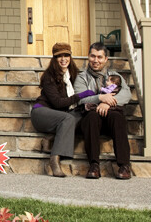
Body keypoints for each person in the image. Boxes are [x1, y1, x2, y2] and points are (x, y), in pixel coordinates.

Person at [73, 42, 132, 180]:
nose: (96, 60)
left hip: (110, 119)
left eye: (100, 57)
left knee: (118, 117)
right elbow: (80, 99)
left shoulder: (115, 76)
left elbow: (126, 94)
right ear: (88, 57)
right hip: (91, 121)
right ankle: (94, 165)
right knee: (92, 117)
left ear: (106, 59)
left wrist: (107, 103)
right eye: (93, 56)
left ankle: (124, 165)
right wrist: (101, 98)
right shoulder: (81, 78)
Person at [30, 42, 85, 178]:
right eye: (59, 56)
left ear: (70, 57)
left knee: (81, 114)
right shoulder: (49, 77)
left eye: (66, 55)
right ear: (54, 59)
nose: (63, 59)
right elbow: (58, 103)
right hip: (41, 113)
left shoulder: (73, 75)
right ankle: (54, 160)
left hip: (60, 116)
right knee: (68, 118)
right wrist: (80, 96)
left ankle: (51, 138)